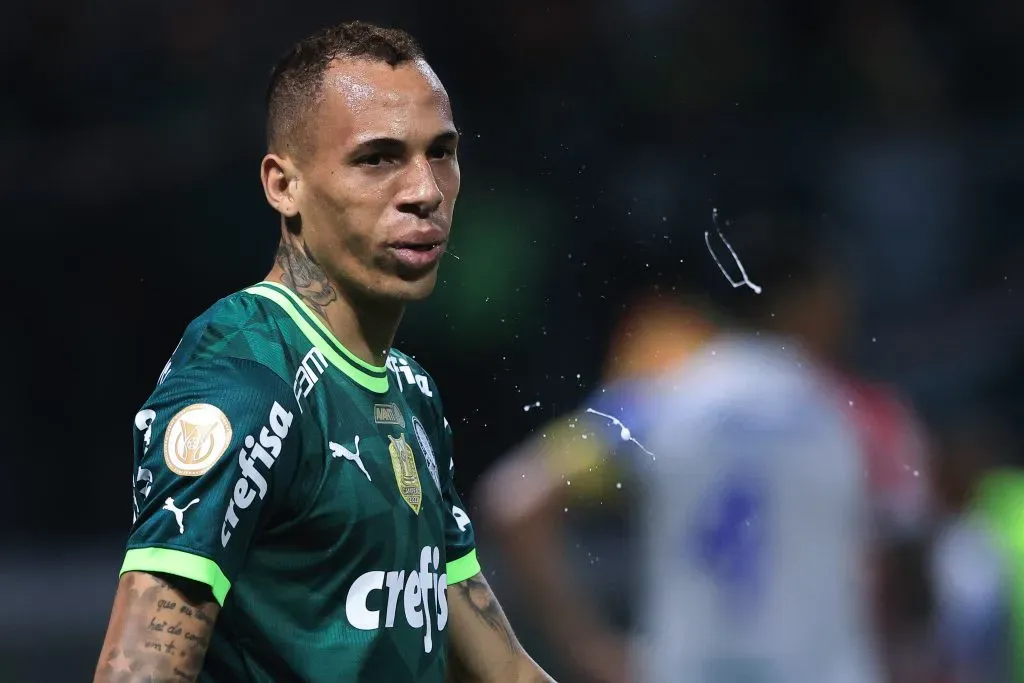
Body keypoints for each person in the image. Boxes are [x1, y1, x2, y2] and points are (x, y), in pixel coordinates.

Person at [93, 21, 555, 683]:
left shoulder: (410, 393)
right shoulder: (247, 381)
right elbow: (137, 672)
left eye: (441, 152)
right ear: (284, 185)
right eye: (379, 158)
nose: (424, 190)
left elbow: (502, 669)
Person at [479, 209, 887, 683]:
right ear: (810, 301)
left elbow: (515, 502)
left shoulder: (659, 400)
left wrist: (587, 648)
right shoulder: (850, 411)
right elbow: (901, 546)